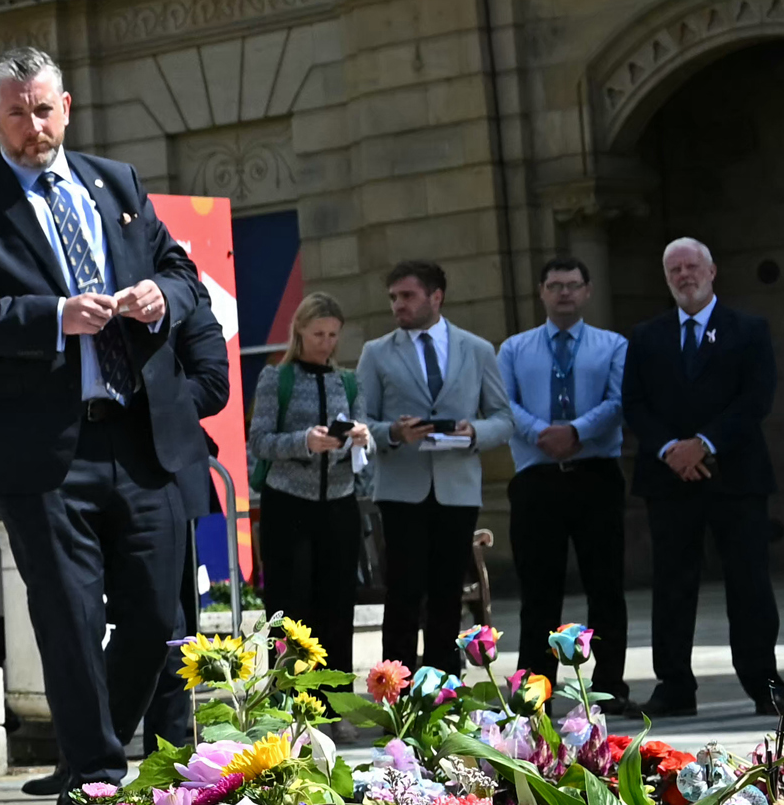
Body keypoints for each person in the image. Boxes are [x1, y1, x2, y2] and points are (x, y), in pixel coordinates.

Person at [0, 48, 187, 792]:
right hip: (41, 453)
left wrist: (163, 295)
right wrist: (52, 318)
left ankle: (88, 749)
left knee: (159, 616)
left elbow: (179, 270)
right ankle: (96, 780)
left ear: (66, 107)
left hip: (136, 436)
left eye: (43, 109)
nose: (33, 126)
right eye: (16, 113)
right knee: (66, 620)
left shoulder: (118, 184)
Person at [628, 234, 784, 722]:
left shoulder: (748, 330)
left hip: (736, 477)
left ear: (712, 271)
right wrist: (671, 450)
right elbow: (634, 404)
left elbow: (757, 398)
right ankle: (674, 685)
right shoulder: (647, 336)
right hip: (669, 480)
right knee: (672, 585)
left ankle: (765, 685)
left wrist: (706, 442)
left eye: (692, 266)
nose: (684, 275)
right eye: (674, 269)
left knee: (750, 584)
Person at [102, 241, 235, 750]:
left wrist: (145, 406)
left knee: (175, 624)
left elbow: (214, 383)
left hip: (172, 477)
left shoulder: (190, 302)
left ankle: (171, 752)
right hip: (94, 478)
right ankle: (93, 746)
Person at [355, 261, 509, 673]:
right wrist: (392, 432)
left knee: (447, 594)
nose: (397, 306)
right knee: (403, 594)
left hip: (457, 487)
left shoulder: (475, 349)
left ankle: (446, 690)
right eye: (393, 298)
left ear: (435, 296)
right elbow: (360, 421)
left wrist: (472, 431)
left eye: (407, 296)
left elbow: (503, 418)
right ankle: (396, 692)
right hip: (402, 489)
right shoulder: (376, 352)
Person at [497, 253, 631, 703]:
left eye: (573, 284)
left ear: (588, 291)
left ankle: (610, 685)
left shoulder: (613, 345)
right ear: (541, 292)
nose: (564, 292)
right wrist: (541, 432)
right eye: (555, 285)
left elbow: (618, 402)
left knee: (606, 586)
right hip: (537, 478)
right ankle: (536, 690)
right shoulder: (514, 349)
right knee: (538, 591)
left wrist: (576, 430)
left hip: (595, 474)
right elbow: (504, 403)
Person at [247, 293, 372, 675]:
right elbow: (260, 440)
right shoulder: (276, 377)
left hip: (339, 502)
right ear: (299, 331)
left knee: (337, 606)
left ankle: (335, 704)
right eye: (318, 333)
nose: (327, 342)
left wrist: (362, 437)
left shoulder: (348, 381)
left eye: (333, 335)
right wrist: (305, 441)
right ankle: (287, 702)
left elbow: (365, 433)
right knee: (289, 607)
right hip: (288, 504)